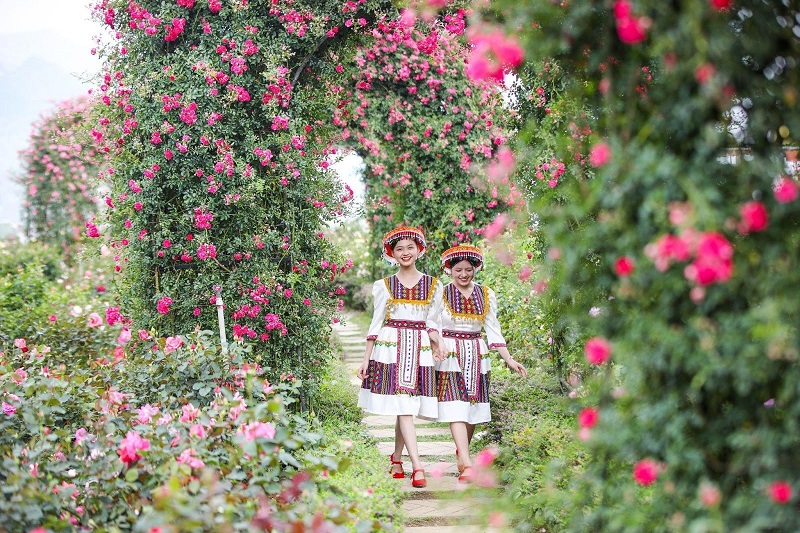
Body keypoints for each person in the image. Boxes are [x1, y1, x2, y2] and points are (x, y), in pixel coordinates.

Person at [357, 225, 444, 488]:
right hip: (391, 347)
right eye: (399, 249)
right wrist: (365, 359)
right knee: (405, 407)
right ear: (392, 254)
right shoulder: (384, 285)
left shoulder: (433, 285)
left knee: (404, 407)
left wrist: (438, 342)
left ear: (419, 250)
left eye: (409, 248)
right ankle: (418, 466)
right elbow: (375, 323)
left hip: (419, 348)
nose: (405, 253)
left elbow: (434, 321)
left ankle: (396, 458)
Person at [435, 245, 527, 482]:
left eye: (468, 270)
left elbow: (493, 330)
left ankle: (461, 451)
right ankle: (466, 463)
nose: (463, 275)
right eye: (458, 270)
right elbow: (432, 325)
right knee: (456, 406)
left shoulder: (487, 294)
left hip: (477, 353)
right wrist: (436, 346)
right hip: (450, 354)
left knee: (473, 409)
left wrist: (509, 359)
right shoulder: (441, 294)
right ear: (449, 270)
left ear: (476, 269)